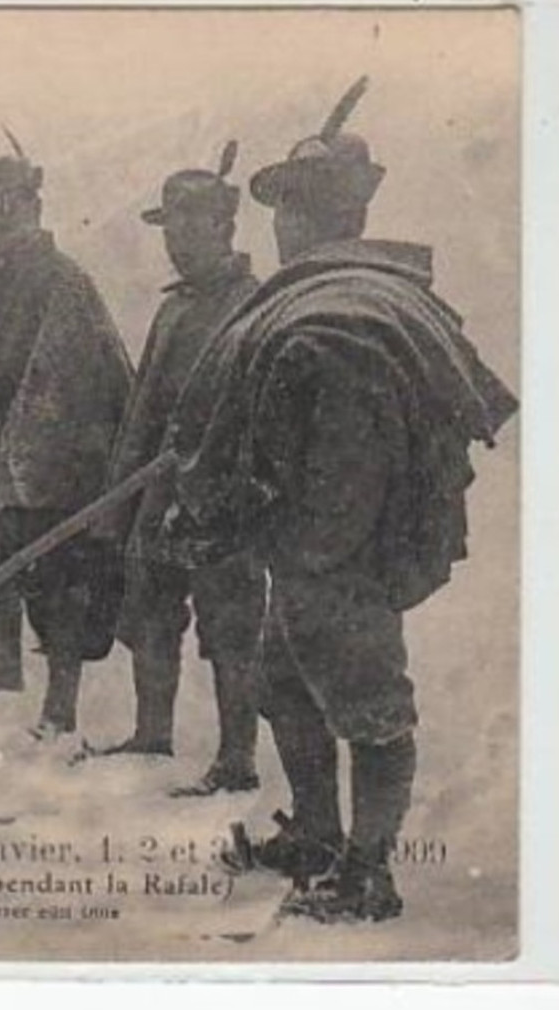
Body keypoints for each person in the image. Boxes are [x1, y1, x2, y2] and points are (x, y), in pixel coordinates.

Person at [159, 79, 518, 920]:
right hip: (311, 545)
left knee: (366, 701)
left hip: (339, 551)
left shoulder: (339, 315)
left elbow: (347, 465)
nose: (278, 227)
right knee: (284, 683)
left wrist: (304, 551)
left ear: (305, 221)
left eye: (286, 212)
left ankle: (369, 874)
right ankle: (317, 836)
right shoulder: (338, 297)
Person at [0, 143, 132, 758]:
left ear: (35, 205)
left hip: (46, 457)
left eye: (8, 203)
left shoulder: (63, 277)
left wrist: (33, 451)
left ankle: (59, 709)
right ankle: (3, 679)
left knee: (54, 584)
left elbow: (83, 369)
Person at [96, 144, 268, 798]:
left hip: (220, 496)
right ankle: (151, 734)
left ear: (223, 227)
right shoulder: (173, 306)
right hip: (155, 488)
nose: (174, 240)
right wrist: (124, 487)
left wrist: (205, 462)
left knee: (229, 624)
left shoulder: (252, 304)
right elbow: (145, 404)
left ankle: (236, 759)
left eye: (188, 225)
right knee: (149, 611)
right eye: (168, 226)